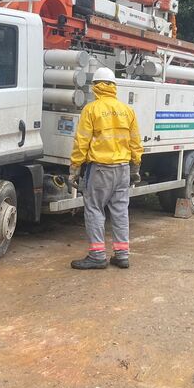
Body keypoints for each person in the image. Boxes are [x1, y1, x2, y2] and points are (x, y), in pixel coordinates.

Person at [68, 67, 143, 270]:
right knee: (120, 211)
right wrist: (135, 166)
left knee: (94, 209)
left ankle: (97, 255)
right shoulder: (127, 110)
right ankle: (122, 255)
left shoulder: (91, 109)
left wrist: (74, 168)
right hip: (123, 169)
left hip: (100, 169)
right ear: (113, 87)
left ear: (96, 87)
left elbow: (81, 141)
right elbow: (135, 142)